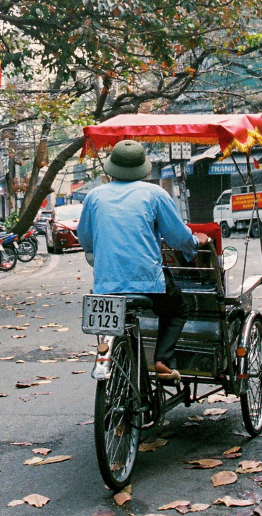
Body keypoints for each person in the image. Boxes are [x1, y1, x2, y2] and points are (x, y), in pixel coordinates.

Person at [78, 139, 209, 380]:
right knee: (177, 310)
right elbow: (178, 237)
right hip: (148, 285)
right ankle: (162, 360)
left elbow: (85, 239)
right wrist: (196, 242)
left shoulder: (94, 196)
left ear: (112, 167)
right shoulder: (155, 194)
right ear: (142, 168)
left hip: (106, 286)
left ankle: (111, 355)